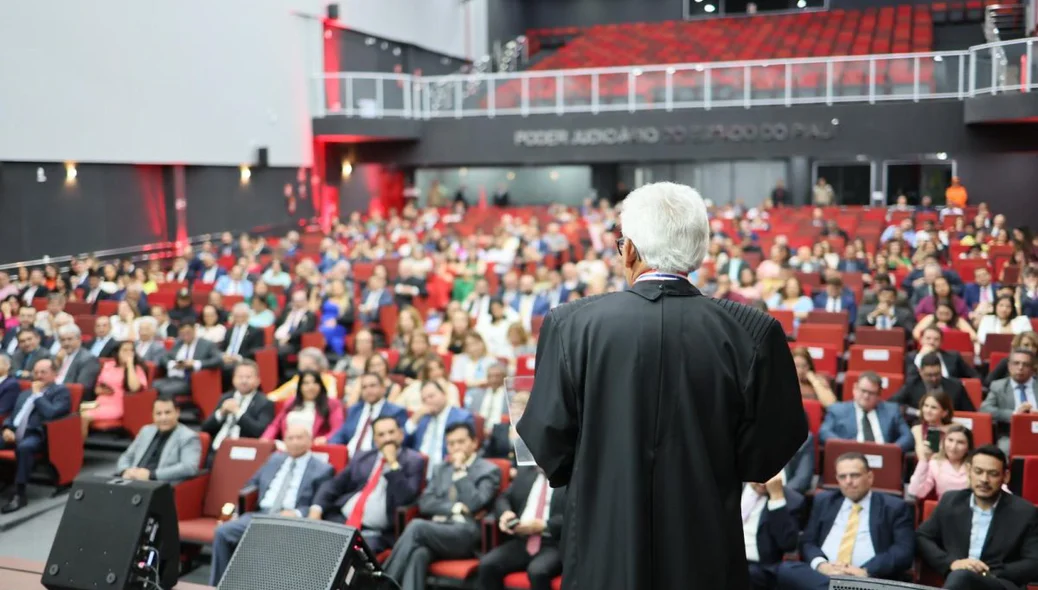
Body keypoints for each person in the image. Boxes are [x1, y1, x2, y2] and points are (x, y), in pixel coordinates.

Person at [517, 182, 806, 590]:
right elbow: (767, 453)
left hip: (605, 548)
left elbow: (549, 444)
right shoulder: (754, 331)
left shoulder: (570, 325)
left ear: (630, 250)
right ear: (699, 250)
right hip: (704, 551)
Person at [209, 424, 334, 586]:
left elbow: (319, 503)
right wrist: (235, 510)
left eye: (299, 437)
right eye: (290, 438)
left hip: (289, 519)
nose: (294, 442)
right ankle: (219, 585)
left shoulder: (322, 469)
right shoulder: (274, 459)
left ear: (310, 441)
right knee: (222, 532)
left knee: (270, 542)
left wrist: (296, 513)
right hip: (260, 514)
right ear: (284, 442)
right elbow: (251, 485)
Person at [382, 423, 501, 590]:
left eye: (461, 442)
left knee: (417, 526)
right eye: (451, 444)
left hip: (464, 533)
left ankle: (382, 584)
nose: (456, 448)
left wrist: (460, 472)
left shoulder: (489, 470)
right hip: (436, 530)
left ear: (474, 443)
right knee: (419, 554)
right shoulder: (441, 469)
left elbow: (475, 503)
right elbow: (425, 503)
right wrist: (456, 508)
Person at [775, 452, 915, 590]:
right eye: (842, 476)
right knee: (786, 569)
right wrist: (822, 565)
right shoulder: (824, 501)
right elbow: (808, 541)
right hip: (824, 575)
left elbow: (903, 551)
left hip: (866, 580)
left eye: (854, 475)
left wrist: (865, 571)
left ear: (870, 477)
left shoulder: (894, 507)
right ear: (837, 479)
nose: (848, 481)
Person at [916, 446, 1038, 590]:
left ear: (1006, 476)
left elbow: (1034, 562)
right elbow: (922, 537)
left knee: (962, 576)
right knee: (960, 576)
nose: (984, 479)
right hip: (956, 580)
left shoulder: (1025, 512)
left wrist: (988, 572)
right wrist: (952, 563)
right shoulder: (951, 501)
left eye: (993, 474)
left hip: (1000, 583)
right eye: (978, 471)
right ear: (969, 471)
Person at [310, 416, 425, 552]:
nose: (387, 438)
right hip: (343, 519)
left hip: (375, 531)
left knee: (352, 555)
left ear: (400, 434)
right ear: (375, 440)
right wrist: (316, 509)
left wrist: (393, 465)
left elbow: (405, 498)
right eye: (381, 435)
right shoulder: (362, 457)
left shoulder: (413, 460)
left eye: (391, 432)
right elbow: (334, 484)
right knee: (313, 544)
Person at [477, 466, 567, 590]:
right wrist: (506, 513)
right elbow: (503, 498)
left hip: (553, 542)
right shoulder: (526, 472)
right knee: (487, 564)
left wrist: (544, 525)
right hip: (522, 539)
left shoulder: (568, 477)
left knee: (537, 572)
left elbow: (577, 514)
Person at [0, 358, 71, 513]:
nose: (38, 376)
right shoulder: (26, 393)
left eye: (43, 372)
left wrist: (38, 396)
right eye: (36, 372)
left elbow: (51, 413)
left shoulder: (60, 391)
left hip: (39, 434)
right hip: (14, 432)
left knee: (25, 447)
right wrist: (7, 428)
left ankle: (20, 493)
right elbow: (13, 415)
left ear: (54, 374)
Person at [819, 372, 915, 452]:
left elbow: (907, 437)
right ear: (855, 388)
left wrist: (891, 450)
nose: (866, 396)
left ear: (879, 395)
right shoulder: (837, 410)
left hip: (882, 459)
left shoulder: (892, 410)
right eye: (863, 391)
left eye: (871, 393)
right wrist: (845, 446)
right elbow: (824, 432)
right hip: (850, 459)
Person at [115, 397, 200, 483]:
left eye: (168, 412)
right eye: (158, 414)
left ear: (177, 412)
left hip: (158, 486)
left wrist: (152, 475)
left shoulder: (188, 436)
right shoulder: (146, 431)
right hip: (133, 480)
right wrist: (125, 471)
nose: (163, 418)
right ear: (153, 415)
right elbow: (126, 456)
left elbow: (189, 467)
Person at [741, 474, 804, 590]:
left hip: (761, 568)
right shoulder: (734, 489)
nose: (762, 482)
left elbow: (788, 544)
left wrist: (776, 498)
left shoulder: (792, 500)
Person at [201, 361, 275, 453]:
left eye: (248, 377)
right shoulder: (226, 397)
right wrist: (221, 413)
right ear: (233, 379)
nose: (244, 381)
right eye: (240, 377)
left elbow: (259, 432)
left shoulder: (265, 402)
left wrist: (238, 412)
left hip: (243, 450)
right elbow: (205, 428)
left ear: (258, 380)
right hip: (217, 448)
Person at [327, 372, 407, 457]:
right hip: (349, 457)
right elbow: (341, 433)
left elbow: (402, 439)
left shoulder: (395, 411)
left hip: (375, 458)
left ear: (383, 388)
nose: (368, 390)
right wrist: (333, 445)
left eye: (372, 386)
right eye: (364, 387)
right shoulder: (354, 409)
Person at [81, 340, 148, 437]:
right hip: (99, 403)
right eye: (125, 350)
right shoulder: (109, 365)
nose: (129, 353)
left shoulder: (137, 369)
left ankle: (78, 450)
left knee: (84, 417)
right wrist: (100, 390)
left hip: (117, 405)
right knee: (74, 416)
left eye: (131, 350)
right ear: (117, 353)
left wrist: (129, 365)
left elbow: (134, 388)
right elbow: (97, 387)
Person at [980, 348, 1037, 452]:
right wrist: (1015, 414)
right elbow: (985, 409)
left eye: (1025, 364)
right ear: (1009, 366)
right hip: (1010, 435)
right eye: (1016, 363)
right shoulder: (998, 386)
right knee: (1004, 449)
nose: (1020, 368)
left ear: (1032, 368)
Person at [907, 423, 974, 501]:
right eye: (950, 440)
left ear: (968, 447)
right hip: (944, 509)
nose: (953, 447)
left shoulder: (975, 464)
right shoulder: (935, 463)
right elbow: (915, 492)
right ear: (943, 442)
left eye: (960, 442)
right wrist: (924, 460)